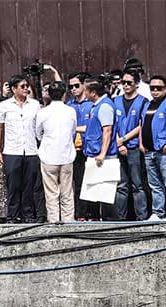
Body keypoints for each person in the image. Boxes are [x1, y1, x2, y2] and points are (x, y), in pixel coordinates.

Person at [0, 75, 41, 223]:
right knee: (13, 185)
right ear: (14, 89)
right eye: (23, 86)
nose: (26, 89)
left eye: (27, 86)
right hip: (12, 150)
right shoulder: (5, 105)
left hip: (31, 150)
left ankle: (28, 215)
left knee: (29, 185)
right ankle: (12, 216)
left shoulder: (35, 105)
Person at [138, 75, 166, 220]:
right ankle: (158, 212)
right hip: (149, 151)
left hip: (164, 152)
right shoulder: (147, 105)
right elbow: (141, 124)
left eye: (159, 88)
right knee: (154, 185)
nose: (155, 91)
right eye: (152, 88)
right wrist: (141, 144)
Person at [34, 82, 77, 222]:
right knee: (67, 192)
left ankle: (53, 222)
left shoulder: (43, 112)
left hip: (48, 156)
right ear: (64, 94)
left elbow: (38, 133)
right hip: (66, 155)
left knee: (51, 193)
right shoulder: (70, 111)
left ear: (49, 95)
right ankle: (68, 221)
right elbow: (73, 131)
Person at [113, 70, 149, 220]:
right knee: (121, 185)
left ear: (136, 84)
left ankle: (141, 217)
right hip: (118, 146)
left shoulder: (143, 102)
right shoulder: (115, 101)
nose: (126, 85)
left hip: (133, 147)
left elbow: (142, 124)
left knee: (137, 184)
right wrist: (118, 142)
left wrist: (125, 139)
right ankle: (120, 218)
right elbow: (112, 123)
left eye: (129, 83)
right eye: (124, 82)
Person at [80, 79, 116, 218]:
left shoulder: (105, 107)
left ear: (93, 92)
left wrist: (102, 153)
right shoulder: (96, 106)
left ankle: (109, 221)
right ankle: (96, 217)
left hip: (103, 156)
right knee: (94, 189)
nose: (84, 94)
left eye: (86, 91)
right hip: (94, 152)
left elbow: (107, 130)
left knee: (105, 190)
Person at [67, 72, 95, 220]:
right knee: (78, 183)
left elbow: (92, 126)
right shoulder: (69, 104)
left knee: (92, 182)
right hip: (74, 149)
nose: (73, 89)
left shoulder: (91, 104)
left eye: (76, 86)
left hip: (89, 148)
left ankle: (94, 214)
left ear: (84, 85)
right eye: (70, 87)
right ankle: (80, 214)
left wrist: (76, 128)